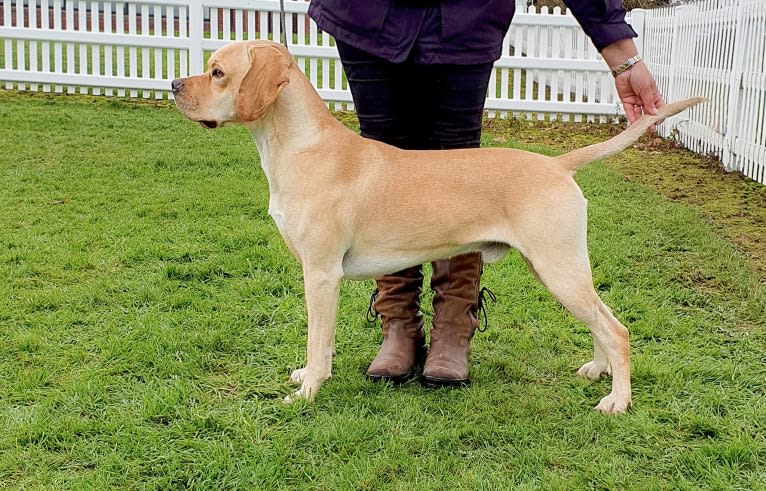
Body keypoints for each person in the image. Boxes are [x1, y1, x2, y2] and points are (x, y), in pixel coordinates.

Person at [307, 0, 665, 387]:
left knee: (462, 172)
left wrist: (622, 54)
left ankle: (453, 327)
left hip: (465, 22)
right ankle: (398, 324)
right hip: (366, 18)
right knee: (384, 183)